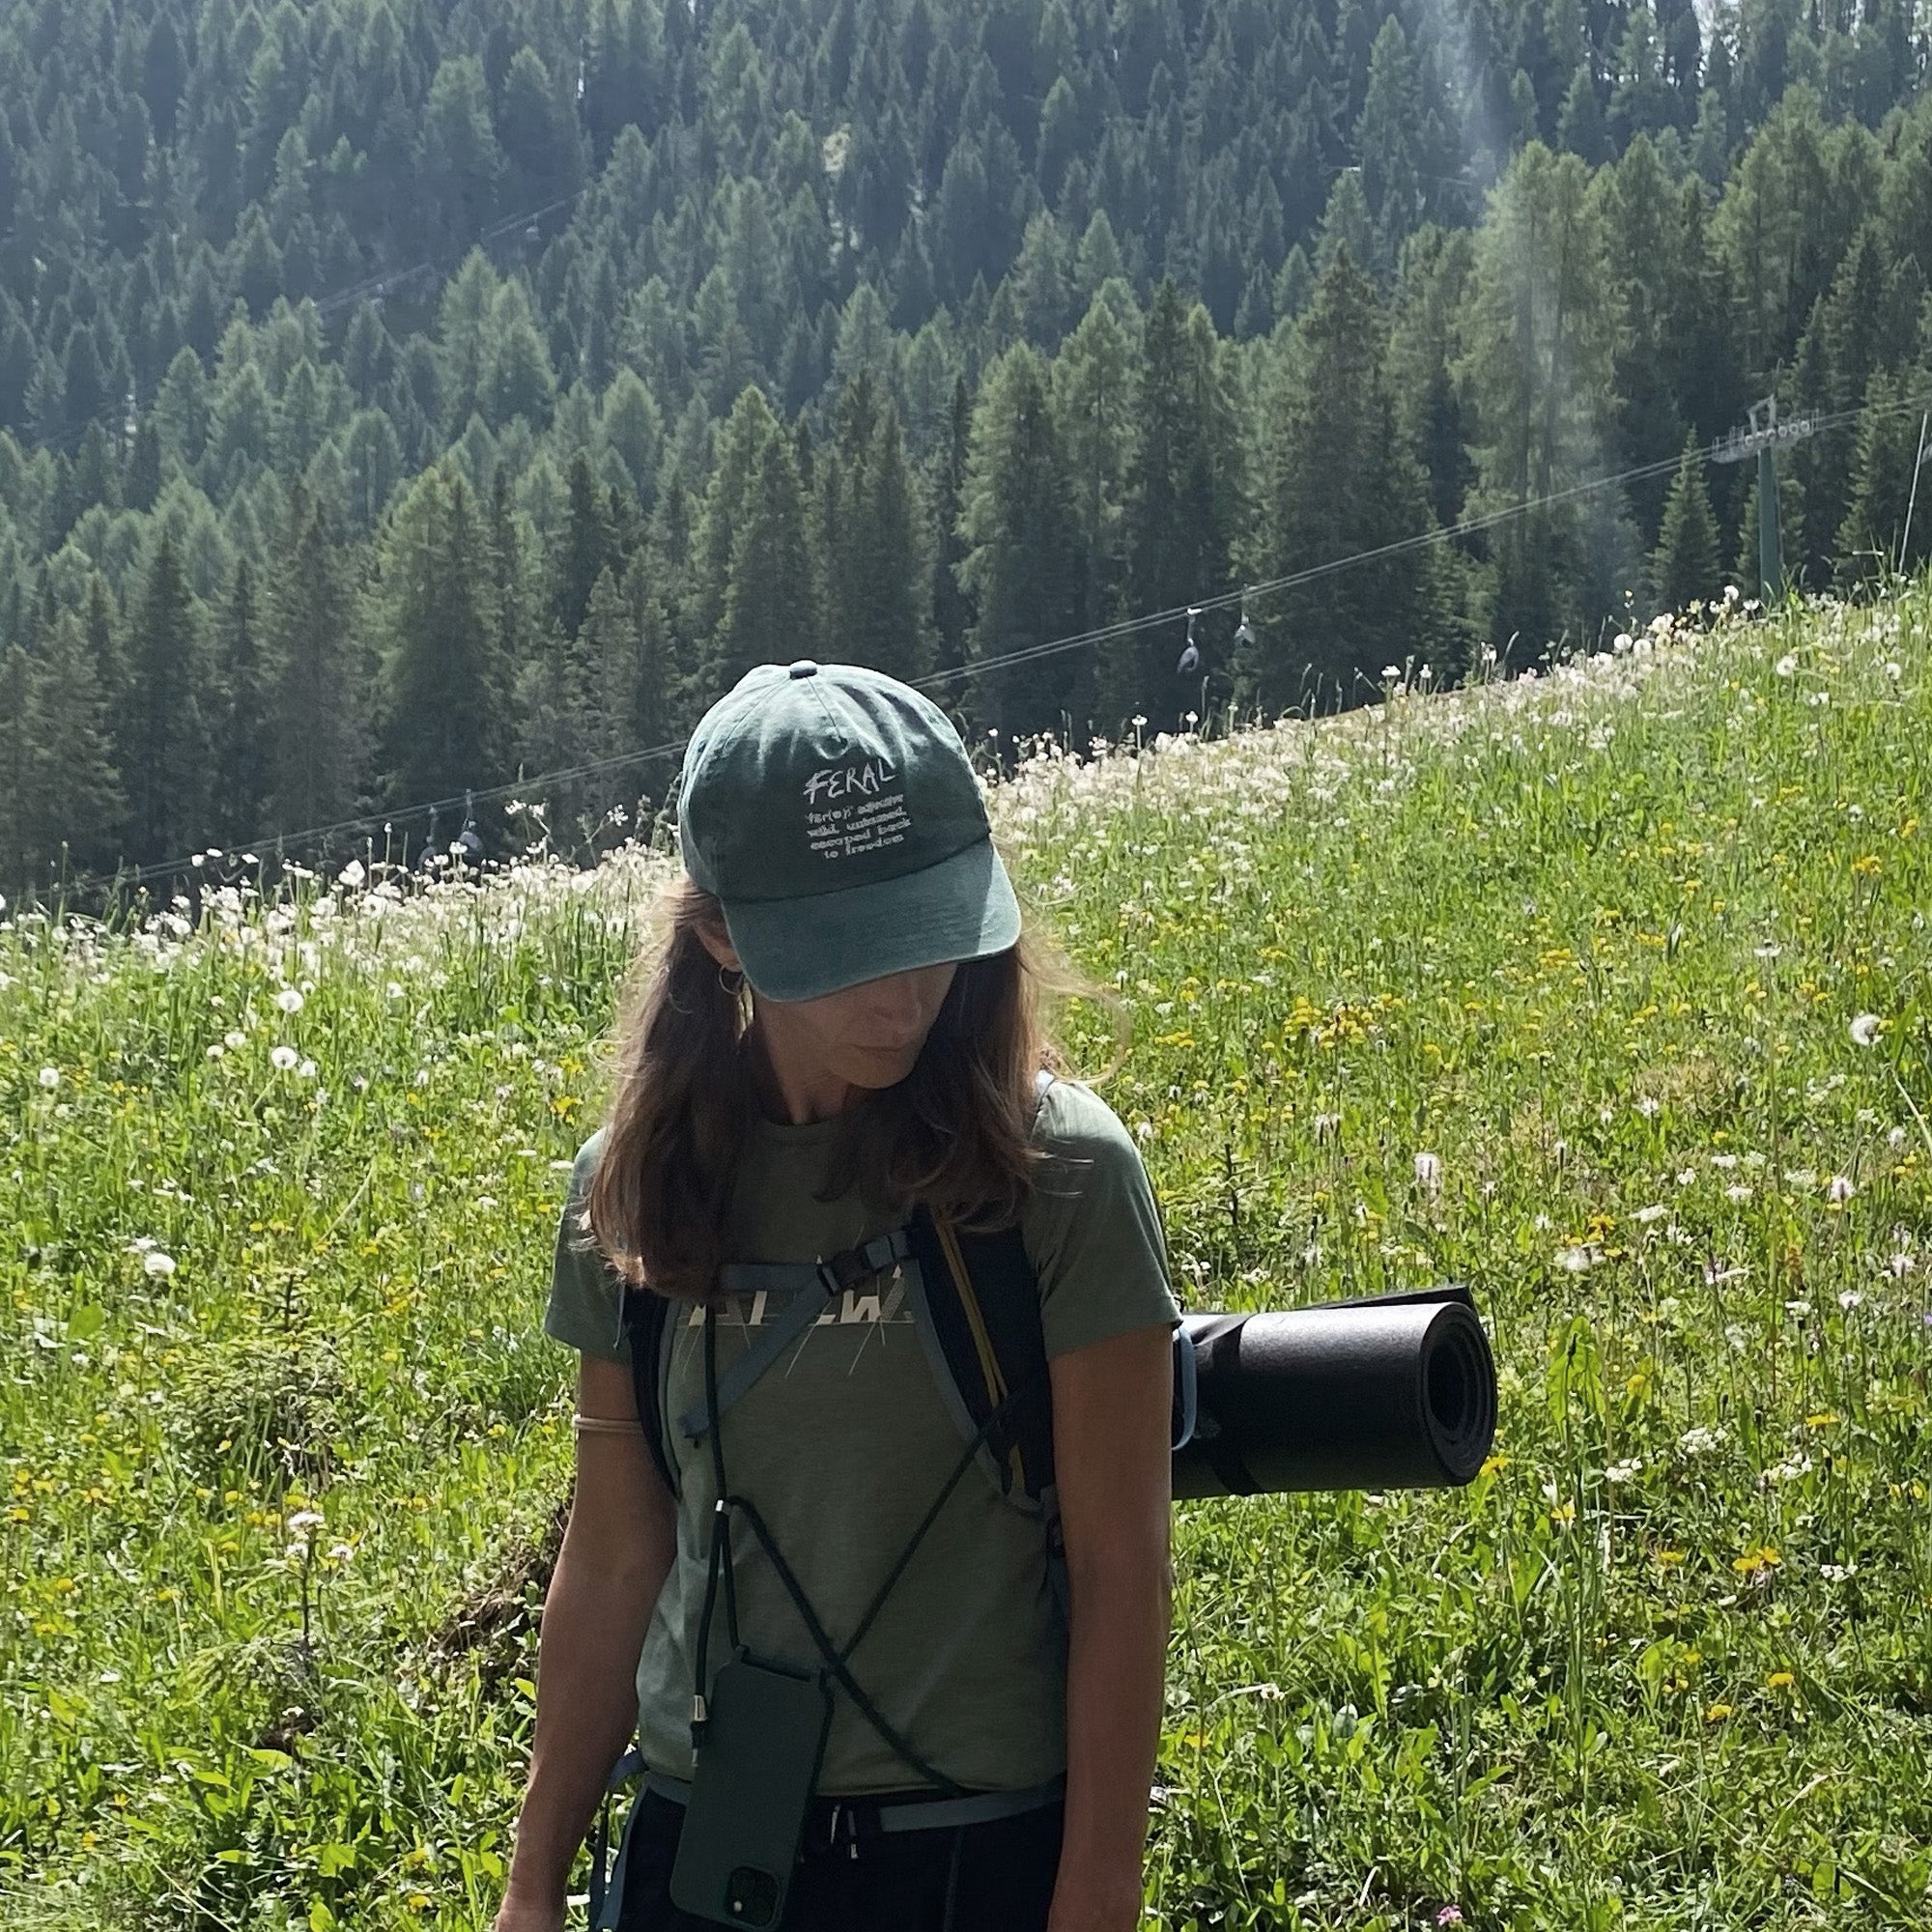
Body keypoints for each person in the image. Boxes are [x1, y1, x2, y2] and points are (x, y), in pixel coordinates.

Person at [495, 659, 1179, 1932]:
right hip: (701, 1856)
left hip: (974, 1857)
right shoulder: (633, 1194)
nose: (902, 993)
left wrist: (1097, 1899)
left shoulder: (1062, 1176)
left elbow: (1121, 1568)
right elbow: (614, 1554)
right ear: (717, 937)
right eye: (847, 951)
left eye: (926, 929)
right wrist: (533, 1880)